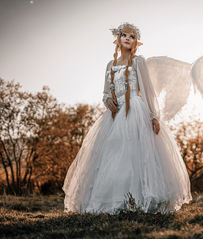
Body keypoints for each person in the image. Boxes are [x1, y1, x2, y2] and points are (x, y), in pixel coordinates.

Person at [63, 22, 192, 214]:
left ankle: (140, 199)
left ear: (136, 42)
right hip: (115, 114)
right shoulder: (110, 64)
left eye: (132, 36)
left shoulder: (139, 62)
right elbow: (106, 91)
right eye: (124, 35)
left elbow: (148, 91)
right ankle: (113, 200)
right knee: (113, 155)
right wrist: (108, 100)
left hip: (136, 110)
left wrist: (154, 116)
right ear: (118, 39)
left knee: (135, 154)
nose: (128, 39)